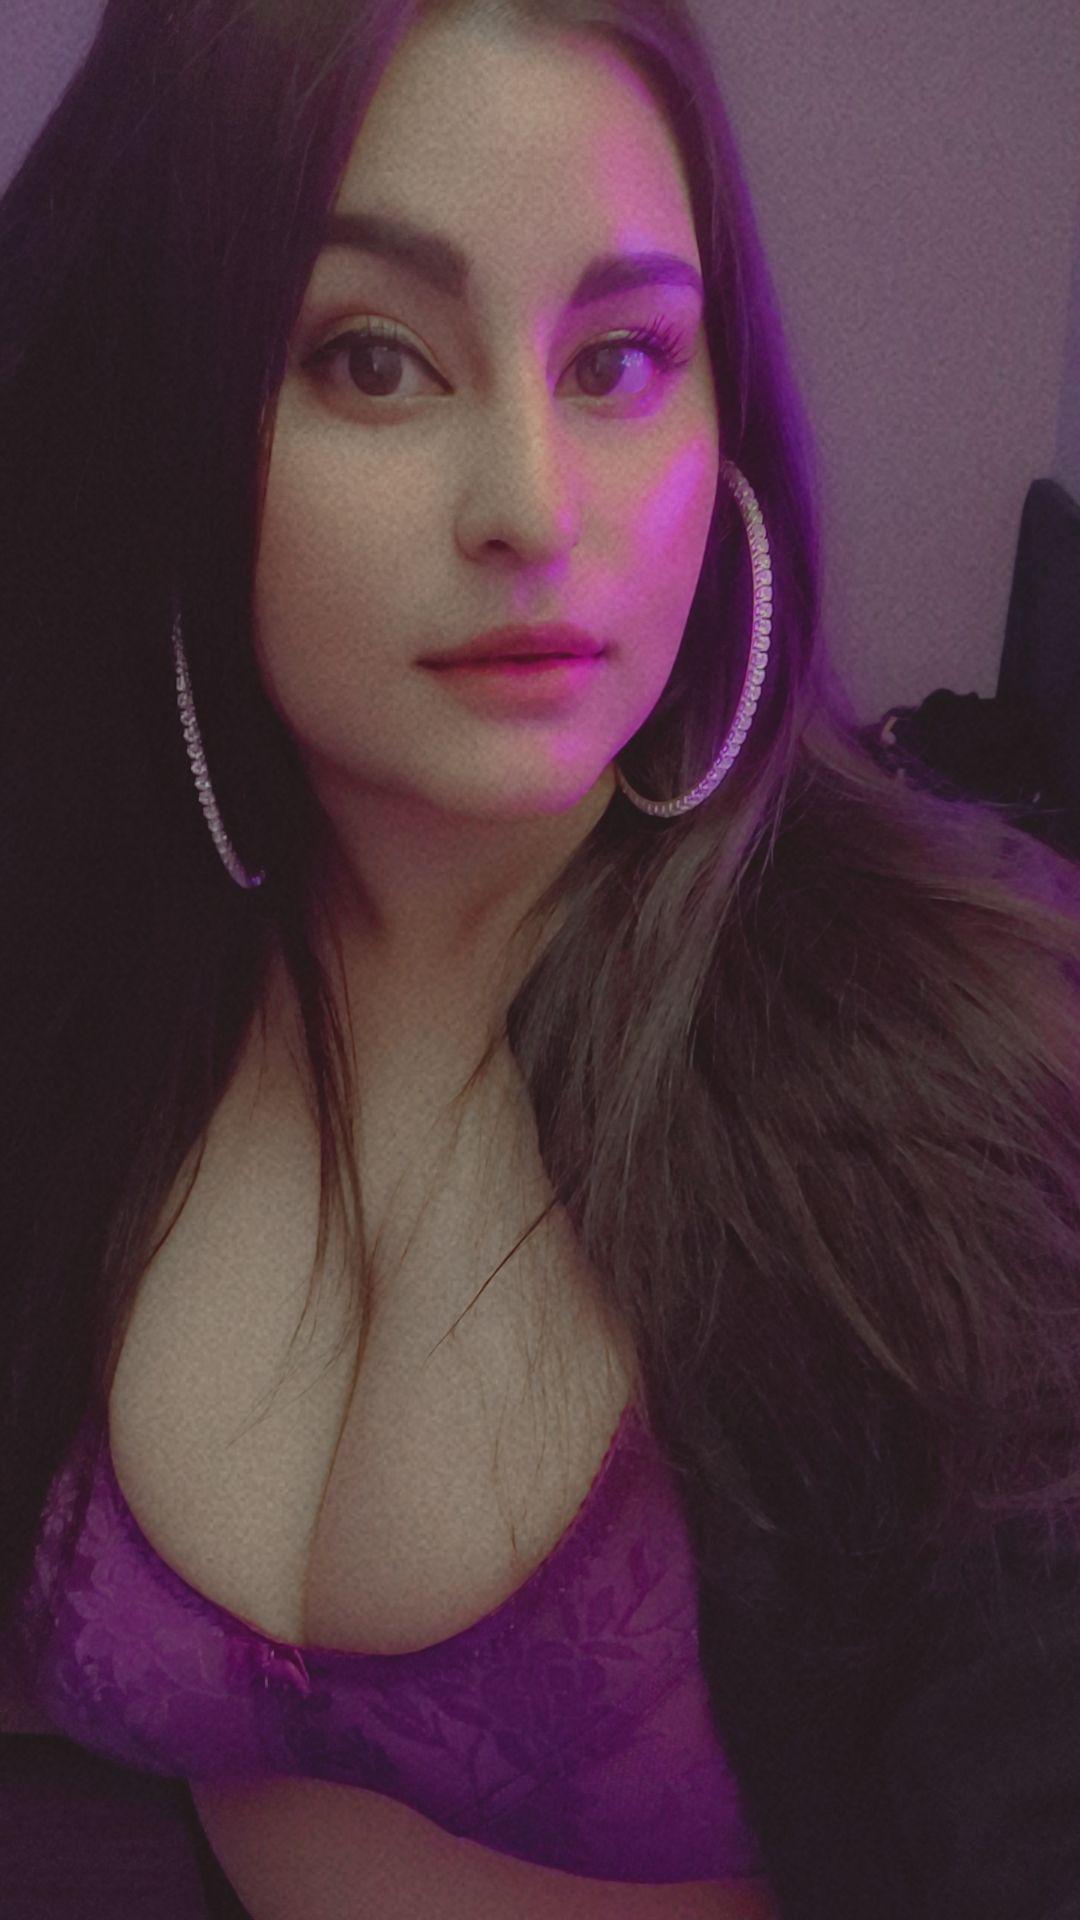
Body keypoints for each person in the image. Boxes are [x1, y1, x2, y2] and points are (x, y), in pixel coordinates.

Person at [2, 2, 1080, 1917]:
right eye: (374, 358)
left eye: (622, 360)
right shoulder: (104, 982)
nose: (532, 503)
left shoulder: (955, 1087)